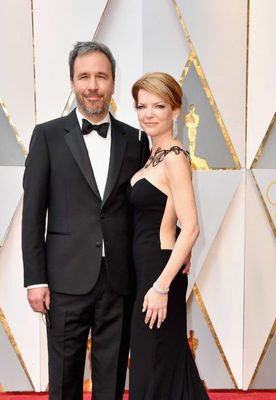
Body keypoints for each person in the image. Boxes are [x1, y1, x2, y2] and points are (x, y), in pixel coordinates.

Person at [22, 41, 149, 399]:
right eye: (84, 77)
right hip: (63, 280)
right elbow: (33, 212)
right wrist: (35, 279)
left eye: (101, 76)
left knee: (110, 382)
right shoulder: (47, 136)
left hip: (120, 280)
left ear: (112, 82)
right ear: (72, 82)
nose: (93, 85)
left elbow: (142, 209)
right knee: (64, 381)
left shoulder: (135, 139)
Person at [128, 72, 209, 399]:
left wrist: (161, 286)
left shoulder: (175, 157)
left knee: (157, 366)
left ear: (176, 111)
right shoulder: (153, 155)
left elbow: (191, 226)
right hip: (149, 269)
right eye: (141, 106)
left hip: (158, 273)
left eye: (158, 105)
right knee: (159, 364)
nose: (148, 113)